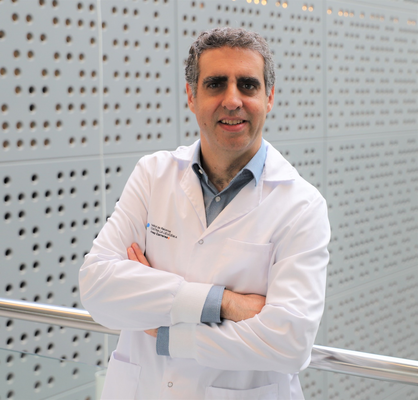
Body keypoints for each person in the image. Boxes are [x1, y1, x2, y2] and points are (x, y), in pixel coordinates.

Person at [79, 27, 330, 400]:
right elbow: (97, 287)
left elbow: (290, 343)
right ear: (191, 96)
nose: (233, 100)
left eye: (248, 85)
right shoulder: (153, 175)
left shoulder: (301, 205)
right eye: (215, 84)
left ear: (269, 97)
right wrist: (225, 303)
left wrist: (169, 334)